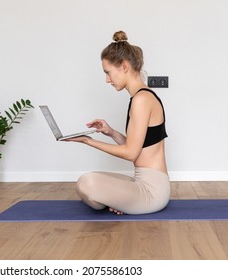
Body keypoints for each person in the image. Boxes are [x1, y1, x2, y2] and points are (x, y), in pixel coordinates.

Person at [66, 31, 170, 215]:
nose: (107, 79)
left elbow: (131, 153)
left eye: (108, 72)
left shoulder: (141, 100)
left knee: (86, 182)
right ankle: (120, 200)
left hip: (151, 192)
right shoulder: (142, 96)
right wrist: (111, 132)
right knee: (88, 183)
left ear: (124, 66)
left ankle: (121, 200)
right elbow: (137, 148)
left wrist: (87, 141)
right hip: (142, 182)